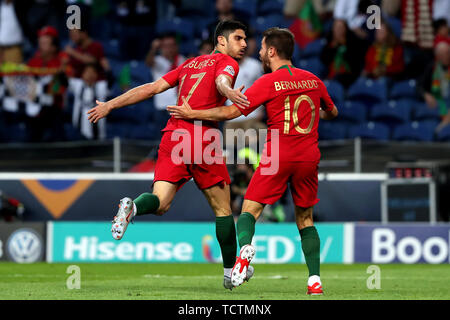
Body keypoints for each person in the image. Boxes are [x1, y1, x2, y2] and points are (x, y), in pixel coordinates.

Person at [168, 27, 338, 294]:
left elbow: (231, 111)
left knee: (248, 212)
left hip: (278, 156)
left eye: (261, 47)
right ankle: (314, 280)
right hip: (308, 156)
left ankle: (244, 252)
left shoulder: (268, 82)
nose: (257, 51)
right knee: (305, 218)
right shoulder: (313, 80)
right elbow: (333, 111)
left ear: (271, 51)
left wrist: (193, 112)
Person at [87, 20, 250, 290]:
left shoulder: (189, 64)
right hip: (202, 138)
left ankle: (133, 208)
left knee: (161, 203)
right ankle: (229, 272)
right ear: (221, 41)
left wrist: (110, 104)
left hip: (172, 137)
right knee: (223, 209)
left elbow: (150, 87)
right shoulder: (229, 63)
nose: (243, 44)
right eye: (238, 38)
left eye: (245, 39)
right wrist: (229, 91)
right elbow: (222, 81)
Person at [146, 32, 186, 135]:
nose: (169, 49)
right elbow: (148, 62)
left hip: (178, 107)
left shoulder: (182, 60)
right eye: (166, 46)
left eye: (171, 45)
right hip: (161, 107)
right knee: (160, 141)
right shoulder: (158, 60)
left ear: (176, 46)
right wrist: (153, 48)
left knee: (177, 139)